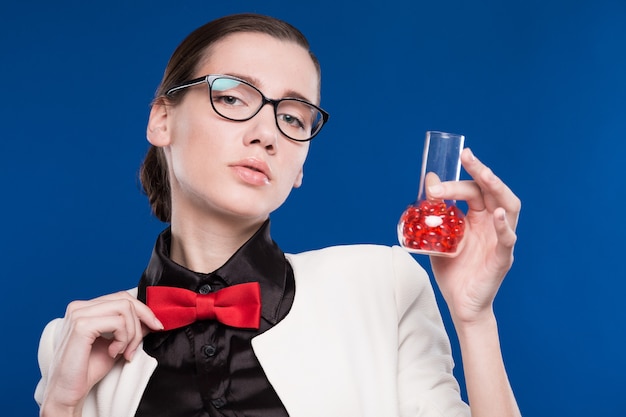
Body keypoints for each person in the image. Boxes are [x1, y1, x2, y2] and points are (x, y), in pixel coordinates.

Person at [34, 13, 522, 417]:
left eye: (291, 117)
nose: (266, 133)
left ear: (300, 166)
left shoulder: (384, 285)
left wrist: (475, 320)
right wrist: (60, 405)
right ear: (162, 119)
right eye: (231, 97)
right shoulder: (75, 340)